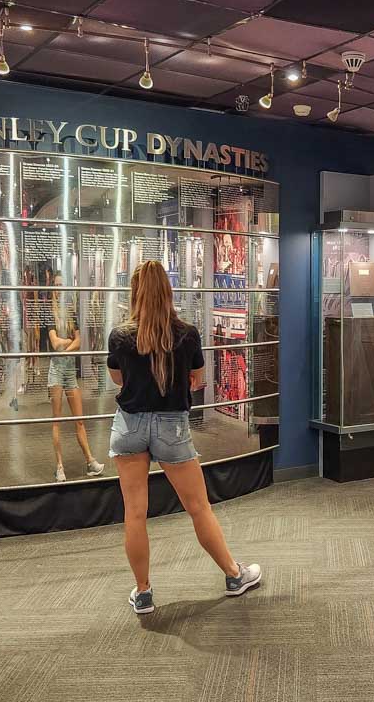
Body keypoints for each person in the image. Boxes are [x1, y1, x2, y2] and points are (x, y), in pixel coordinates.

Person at [107, 260, 261, 615]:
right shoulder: (187, 333)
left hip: (129, 425)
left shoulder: (120, 335)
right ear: (168, 291)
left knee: (135, 515)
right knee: (198, 508)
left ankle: (143, 593)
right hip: (172, 426)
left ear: (135, 293)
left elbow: (118, 380)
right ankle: (233, 575)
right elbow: (198, 377)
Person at [48, 276, 102, 482]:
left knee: (79, 420)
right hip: (56, 370)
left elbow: (79, 342)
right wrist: (67, 342)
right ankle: (59, 467)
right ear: (53, 288)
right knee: (57, 421)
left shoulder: (71, 314)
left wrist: (66, 346)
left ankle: (90, 461)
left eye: (63, 285)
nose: (60, 289)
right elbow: (54, 343)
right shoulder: (48, 313)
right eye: (57, 285)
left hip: (69, 369)